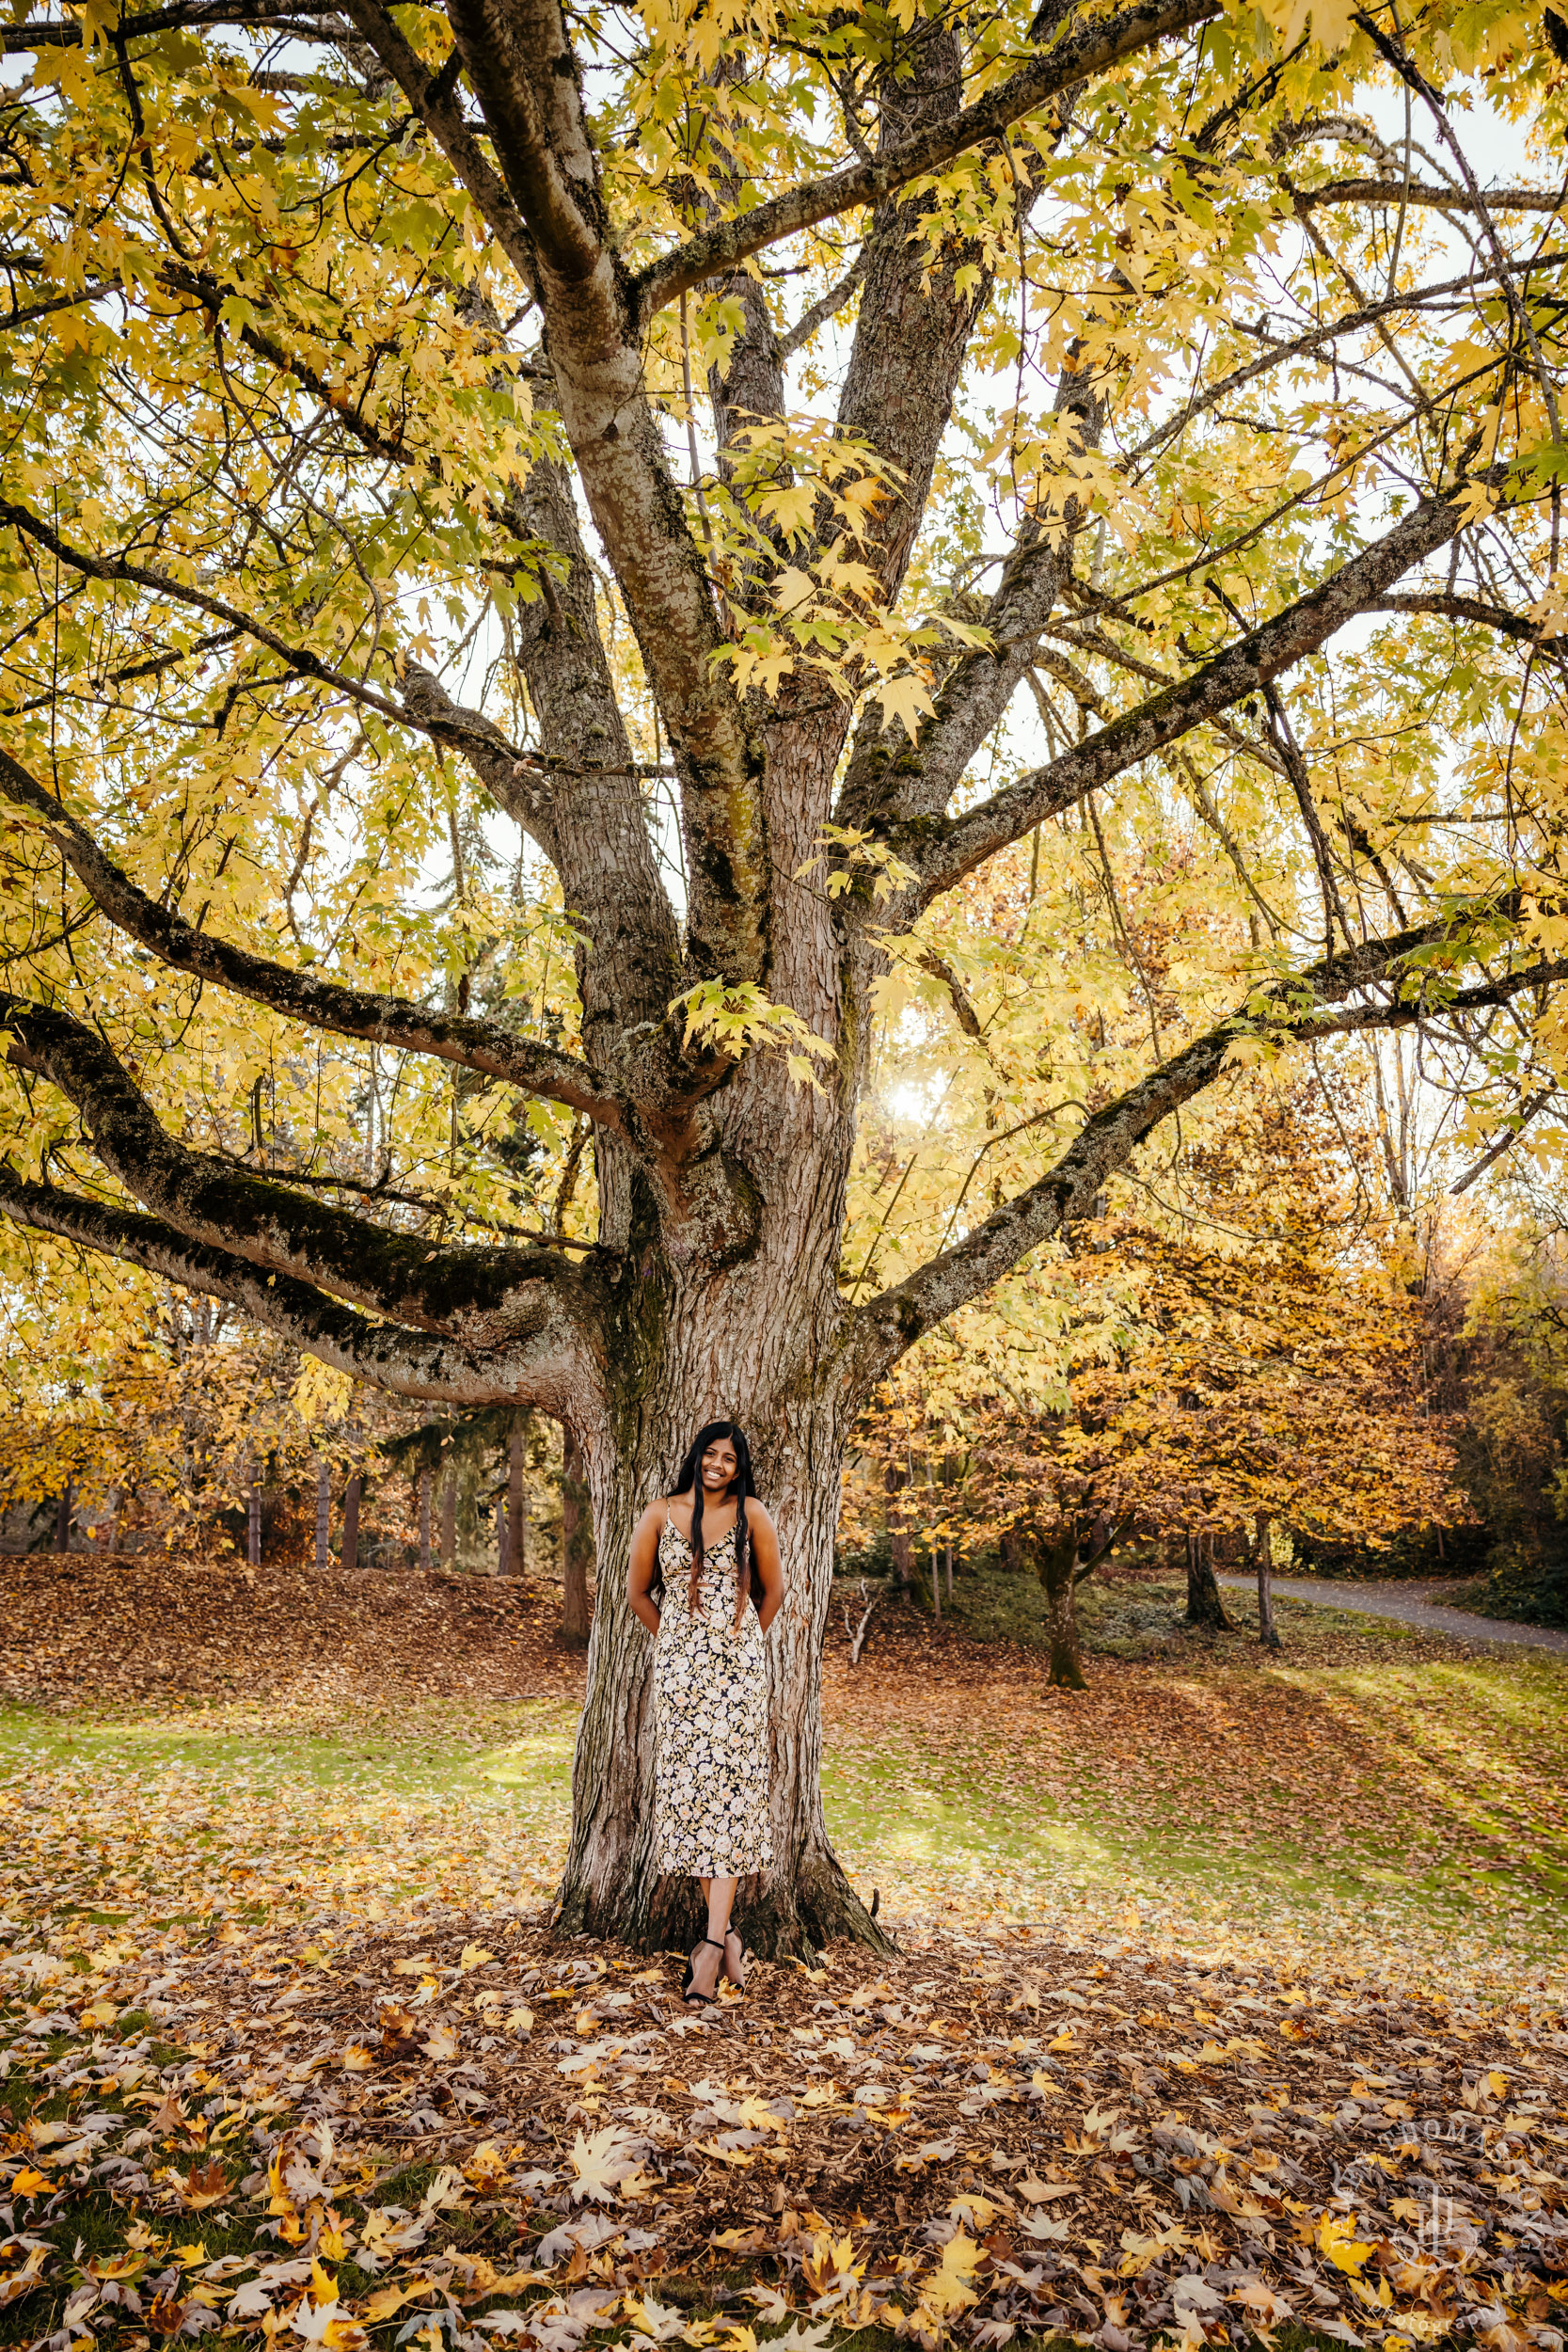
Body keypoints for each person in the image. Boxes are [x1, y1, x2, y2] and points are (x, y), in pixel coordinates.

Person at [626, 1422, 784, 2002]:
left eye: (730, 1458)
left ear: (740, 1468)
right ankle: (728, 1938)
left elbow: (775, 1591)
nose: (719, 1464)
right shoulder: (658, 1513)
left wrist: (738, 1645)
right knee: (693, 1800)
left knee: (732, 1800)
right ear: (697, 1457)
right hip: (681, 1681)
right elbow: (638, 1592)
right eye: (711, 1454)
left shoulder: (754, 1515)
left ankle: (710, 1949)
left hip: (739, 1680)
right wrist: (678, 1644)